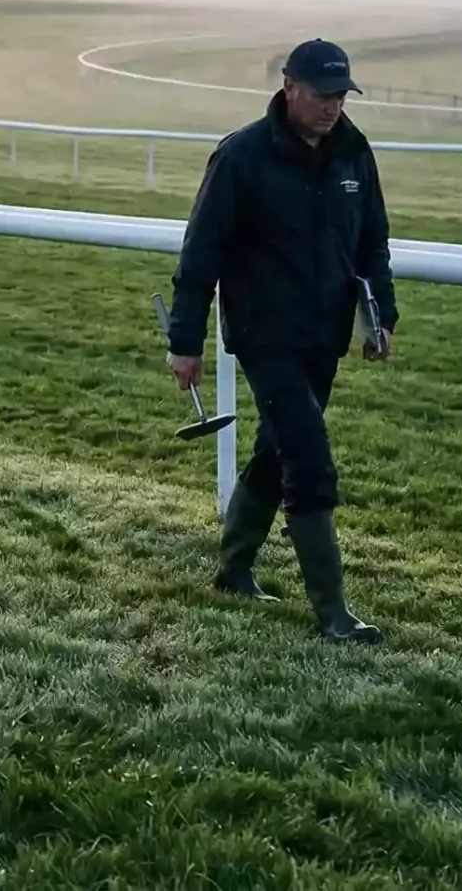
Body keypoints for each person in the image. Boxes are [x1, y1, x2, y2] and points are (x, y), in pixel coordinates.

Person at [165, 37, 398, 644]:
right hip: (264, 334)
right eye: (322, 95)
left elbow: (373, 241)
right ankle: (334, 615)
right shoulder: (241, 157)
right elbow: (201, 253)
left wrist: (382, 316)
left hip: (326, 334)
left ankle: (233, 567)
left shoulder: (355, 152)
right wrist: (185, 338)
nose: (333, 107)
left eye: (341, 96)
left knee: (279, 446)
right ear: (288, 87)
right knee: (308, 458)